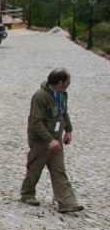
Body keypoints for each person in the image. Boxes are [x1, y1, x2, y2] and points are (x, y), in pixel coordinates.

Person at [20, 68, 83, 213]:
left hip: (56, 139)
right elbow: (35, 122)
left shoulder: (62, 94)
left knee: (59, 170)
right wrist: (49, 140)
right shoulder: (40, 96)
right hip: (41, 141)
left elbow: (63, 113)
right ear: (60, 82)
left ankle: (67, 203)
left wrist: (68, 130)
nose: (69, 84)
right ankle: (27, 194)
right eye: (68, 81)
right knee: (35, 169)